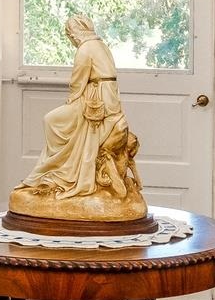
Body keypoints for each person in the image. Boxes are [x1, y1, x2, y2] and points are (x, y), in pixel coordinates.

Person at [17, 16, 141, 203]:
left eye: (70, 34)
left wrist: (72, 100)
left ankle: (60, 166)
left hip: (95, 99)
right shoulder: (101, 45)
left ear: (75, 33)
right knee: (61, 121)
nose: (71, 39)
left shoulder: (85, 48)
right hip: (108, 98)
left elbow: (78, 80)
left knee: (51, 120)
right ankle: (64, 164)